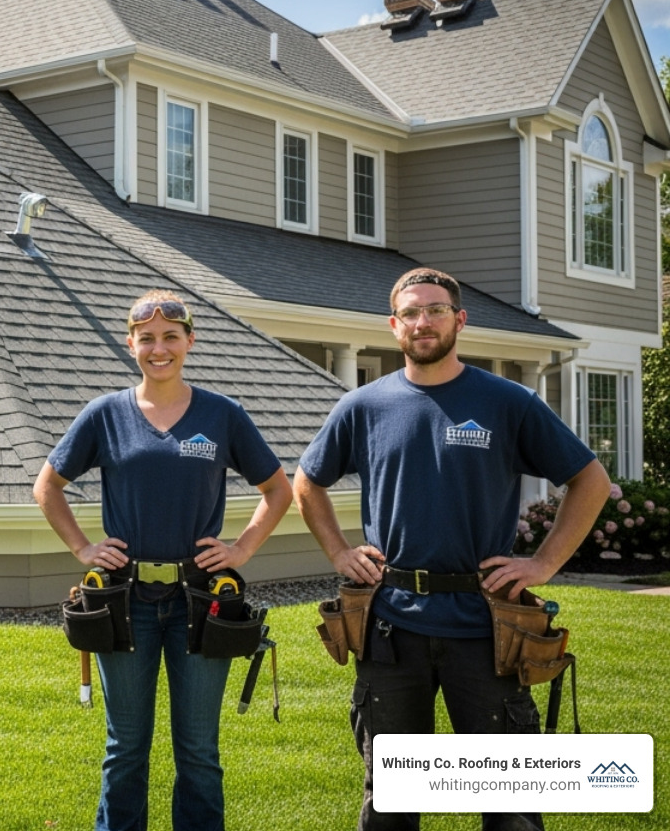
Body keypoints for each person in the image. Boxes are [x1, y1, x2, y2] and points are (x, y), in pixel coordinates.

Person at [293, 267, 610, 831]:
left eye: (436, 310)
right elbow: (306, 482)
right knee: (390, 802)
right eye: (411, 312)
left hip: (486, 628)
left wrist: (543, 563)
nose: (423, 321)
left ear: (459, 320)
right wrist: (340, 553)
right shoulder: (363, 406)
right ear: (394, 326)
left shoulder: (507, 402)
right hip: (390, 628)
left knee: (511, 805)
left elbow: (588, 479)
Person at [34, 289, 294, 831]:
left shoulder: (223, 415)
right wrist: (85, 548)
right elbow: (48, 486)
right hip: (122, 601)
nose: (159, 348)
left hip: (200, 601)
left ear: (189, 341)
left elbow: (277, 490)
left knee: (198, 751)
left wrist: (241, 548)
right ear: (130, 344)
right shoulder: (105, 415)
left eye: (170, 337)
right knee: (124, 747)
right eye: (147, 338)